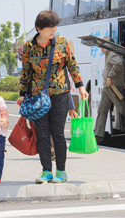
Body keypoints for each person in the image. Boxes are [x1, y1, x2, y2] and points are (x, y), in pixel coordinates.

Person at [18, 10, 88, 184]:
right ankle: (46, 171)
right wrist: (21, 94)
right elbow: (26, 72)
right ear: (38, 28)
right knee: (42, 135)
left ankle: (61, 171)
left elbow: (72, 65)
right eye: (49, 27)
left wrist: (80, 87)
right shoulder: (28, 47)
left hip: (59, 94)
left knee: (57, 133)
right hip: (37, 98)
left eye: (55, 26)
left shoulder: (62, 43)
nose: (53, 30)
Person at [94, 40, 125, 143]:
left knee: (122, 109)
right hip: (107, 87)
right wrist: (123, 79)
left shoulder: (113, 53)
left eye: (102, 47)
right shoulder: (110, 54)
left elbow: (119, 64)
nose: (101, 50)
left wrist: (110, 76)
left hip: (113, 87)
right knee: (101, 110)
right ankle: (98, 135)